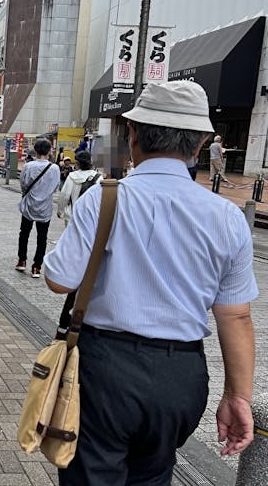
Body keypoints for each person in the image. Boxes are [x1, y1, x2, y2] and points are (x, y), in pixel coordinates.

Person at [44, 80, 257, 485]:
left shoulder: (104, 198)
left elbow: (59, 279)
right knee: (154, 474)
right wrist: (237, 396)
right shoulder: (228, 217)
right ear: (200, 144)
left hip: (104, 368)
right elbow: (237, 317)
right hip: (180, 375)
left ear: (133, 134)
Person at [15, 139, 60, 278]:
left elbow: (23, 184)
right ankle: (36, 267)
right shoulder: (54, 168)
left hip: (29, 205)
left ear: (35, 150)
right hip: (45, 207)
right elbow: (55, 187)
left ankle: (22, 260)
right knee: (42, 238)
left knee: (24, 233)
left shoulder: (28, 166)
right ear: (49, 151)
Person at [56, 151, 101, 227]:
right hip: (90, 217)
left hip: (72, 216)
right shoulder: (98, 178)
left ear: (77, 163)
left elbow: (64, 195)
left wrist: (60, 211)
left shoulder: (71, 176)